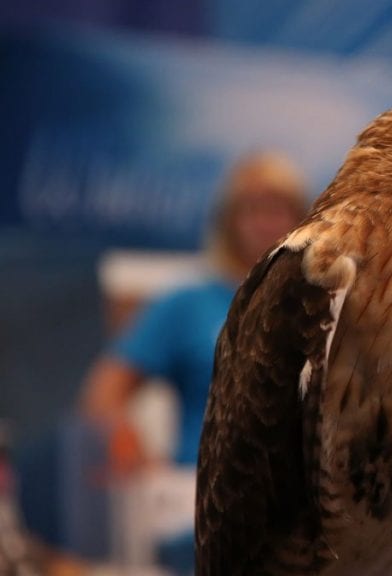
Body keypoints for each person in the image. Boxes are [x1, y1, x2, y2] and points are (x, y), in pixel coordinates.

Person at [79, 151, 308, 469]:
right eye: (252, 209)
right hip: (203, 492)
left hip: (303, 495)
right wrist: (125, 442)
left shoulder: (319, 305)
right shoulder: (188, 304)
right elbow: (105, 392)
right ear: (229, 222)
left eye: (278, 209)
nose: (265, 222)